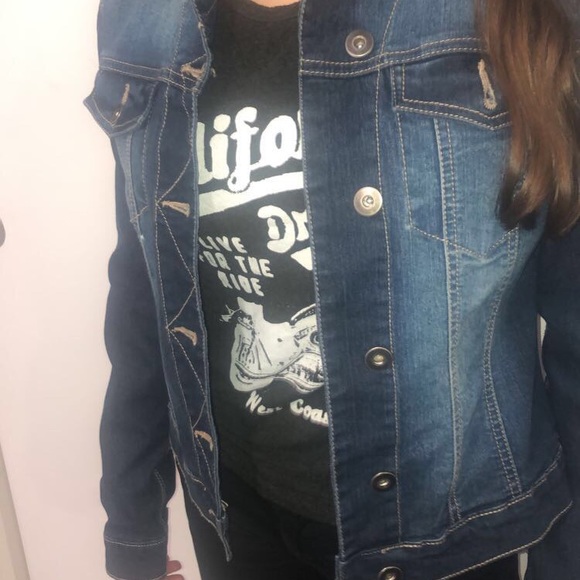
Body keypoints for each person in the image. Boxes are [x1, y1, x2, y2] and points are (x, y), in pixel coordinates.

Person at [84, 0, 580, 578]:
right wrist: (133, 524)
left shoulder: (506, 13)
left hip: (444, 537)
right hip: (235, 512)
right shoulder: (143, 17)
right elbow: (146, 279)